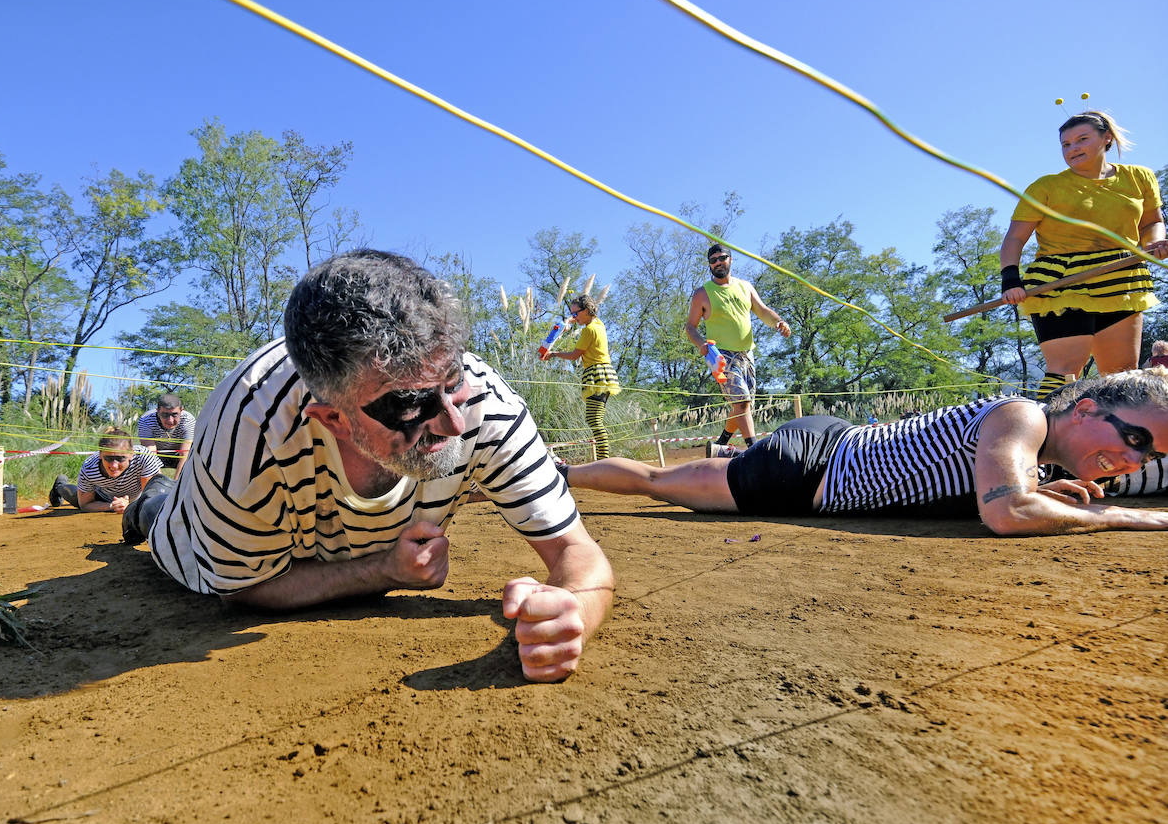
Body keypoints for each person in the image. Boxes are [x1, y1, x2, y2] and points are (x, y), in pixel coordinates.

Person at [129, 250, 614, 683]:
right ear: (333, 419)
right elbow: (244, 587)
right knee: (160, 509)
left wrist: (575, 610)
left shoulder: (486, 403)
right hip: (192, 535)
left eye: (453, 379)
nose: (452, 421)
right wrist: (384, 571)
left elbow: (579, 554)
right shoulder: (251, 427)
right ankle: (144, 505)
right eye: (408, 406)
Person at [561, 368, 1168, 536]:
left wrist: (1038, 490)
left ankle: (562, 471)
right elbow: (1007, 512)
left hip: (829, 451)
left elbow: (1008, 495)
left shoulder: (1031, 449)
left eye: (1148, 455)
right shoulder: (1024, 416)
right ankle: (557, 472)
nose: (1134, 461)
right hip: (807, 467)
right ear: (1086, 407)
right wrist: (1113, 514)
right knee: (658, 481)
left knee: (673, 475)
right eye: (1134, 437)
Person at [999, 110, 1167, 401]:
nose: (1073, 148)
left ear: (1107, 139)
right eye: (1066, 144)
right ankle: (1045, 441)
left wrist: (1154, 245)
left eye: (1082, 139)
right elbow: (1014, 238)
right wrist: (1010, 279)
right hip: (1061, 281)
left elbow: (1152, 222)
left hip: (1121, 277)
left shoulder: (1140, 178)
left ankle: (1116, 444)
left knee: (1120, 377)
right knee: (1064, 373)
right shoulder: (1045, 187)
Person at [684, 243, 791, 456]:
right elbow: (690, 327)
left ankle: (720, 445)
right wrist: (701, 345)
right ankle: (756, 451)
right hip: (721, 356)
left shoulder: (745, 286)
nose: (717, 263)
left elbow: (762, 311)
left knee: (743, 407)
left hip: (747, 354)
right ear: (709, 265)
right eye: (713, 260)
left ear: (730, 259)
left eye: (721, 258)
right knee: (742, 402)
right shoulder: (702, 294)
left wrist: (778, 322)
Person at [541, 292, 620, 458]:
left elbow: (574, 355)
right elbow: (583, 322)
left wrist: (554, 354)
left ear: (586, 310)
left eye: (576, 313)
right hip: (605, 374)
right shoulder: (598, 324)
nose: (574, 316)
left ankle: (603, 460)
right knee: (595, 419)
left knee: (594, 420)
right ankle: (602, 460)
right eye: (572, 313)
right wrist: (568, 322)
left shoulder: (588, 330)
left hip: (596, 375)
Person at [49, 427, 164, 514]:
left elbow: (152, 496)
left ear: (131, 454)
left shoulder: (145, 457)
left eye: (120, 459)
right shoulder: (89, 467)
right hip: (102, 497)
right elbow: (85, 505)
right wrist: (111, 506)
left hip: (136, 497)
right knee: (76, 498)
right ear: (100, 455)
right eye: (108, 458)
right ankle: (59, 486)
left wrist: (133, 506)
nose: (114, 465)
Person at [137, 393, 196, 475]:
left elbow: (184, 454)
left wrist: (176, 485)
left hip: (178, 454)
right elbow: (150, 453)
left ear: (181, 411)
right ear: (157, 411)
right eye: (165, 415)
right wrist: (159, 483)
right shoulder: (146, 420)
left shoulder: (188, 420)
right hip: (157, 455)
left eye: (175, 414)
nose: (170, 420)